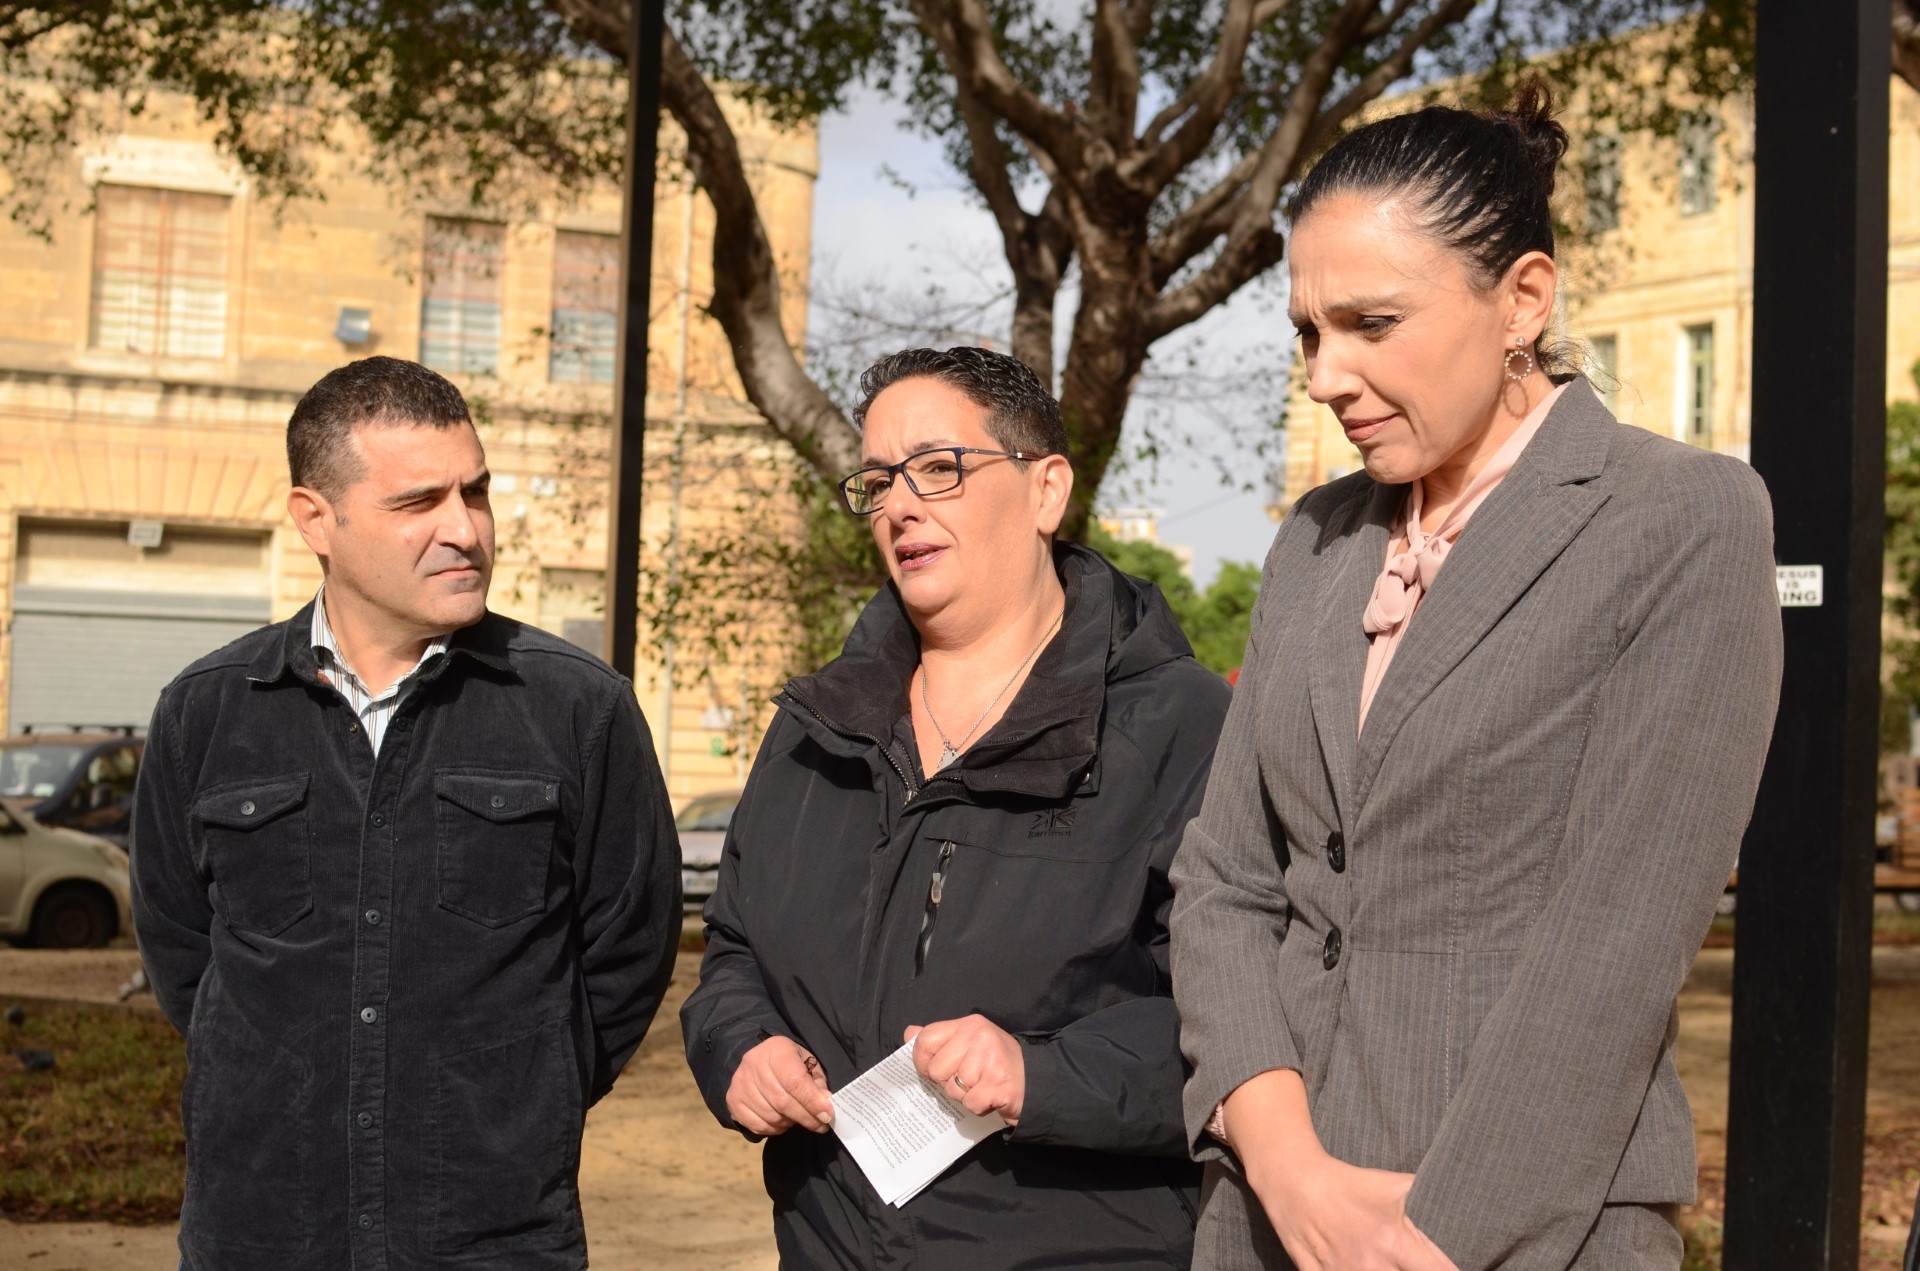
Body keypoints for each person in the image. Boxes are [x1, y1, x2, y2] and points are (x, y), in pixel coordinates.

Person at [1168, 83, 1783, 1271]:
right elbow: (1227, 881)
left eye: (1371, 323)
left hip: (1521, 1234)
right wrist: (1285, 1167)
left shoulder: (1682, 518)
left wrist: (1428, 1237)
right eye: (1308, 332)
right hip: (1263, 1217)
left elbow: (1616, 939)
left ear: (1524, 300)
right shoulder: (1315, 537)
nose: (1324, 375)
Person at [682, 346, 1232, 1268]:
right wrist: (743, 1048)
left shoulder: (1182, 727)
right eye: (876, 481)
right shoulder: (817, 728)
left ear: (1047, 488)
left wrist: (1040, 1076)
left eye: (940, 468)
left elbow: (1242, 1019)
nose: (901, 505)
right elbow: (733, 952)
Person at [131, 356, 681, 1271]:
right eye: (418, 502)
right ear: (317, 518)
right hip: (261, 1232)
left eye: (476, 492)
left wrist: (520, 1094)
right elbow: (185, 956)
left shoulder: (578, 709)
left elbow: (627, 952)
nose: (465, 530)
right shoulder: (208, 711)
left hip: (494, 1239)